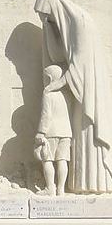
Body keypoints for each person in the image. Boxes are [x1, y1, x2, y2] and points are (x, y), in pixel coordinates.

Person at [34, 0, 112, 193]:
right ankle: (78, 185)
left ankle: (96, 184)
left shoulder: (80, 22)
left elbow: (79, 64)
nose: (47, 20)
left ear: (54, 8)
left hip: (88, 90)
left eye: (47, 16)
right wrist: (49, 29)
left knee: (88, 132)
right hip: (79, 90)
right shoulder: (68, 23)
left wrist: (54, 86)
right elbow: (59, 55)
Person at [34, 64, 72, 195]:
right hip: (66, 131)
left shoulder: (48, 94)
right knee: (62, 160)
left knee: (47, 159)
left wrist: (41, 132)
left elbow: (46, 115)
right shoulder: (66, 95)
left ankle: (50, 188)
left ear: (49, 79)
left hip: (51, 132)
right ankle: (61, 189)